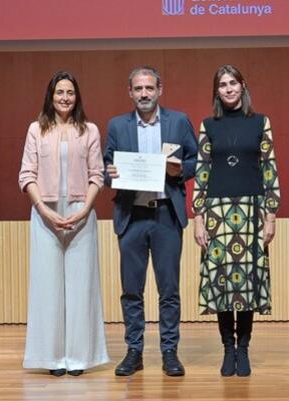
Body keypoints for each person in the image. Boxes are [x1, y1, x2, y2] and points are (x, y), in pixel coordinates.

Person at [104, 66, 198, 377]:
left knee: (168, 289)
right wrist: (110, 173)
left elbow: (197, 160)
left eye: (149, 88)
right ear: (129, 92)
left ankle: (170, 352)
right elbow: (106, 166)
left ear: (160, 90)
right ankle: (134, 352)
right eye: (138, 89)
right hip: (132, 216)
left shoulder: (178, 121)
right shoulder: (117, 126)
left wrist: (179, 171)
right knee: (132, 290)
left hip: (165, 215)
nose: (144, 94)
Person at [18, 70, 109, 377]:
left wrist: (84, 210)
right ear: (51, 95)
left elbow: (98, 175)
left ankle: (79, 358)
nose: (65, 98)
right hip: (45, 215)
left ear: (77, 96)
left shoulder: (90, 130)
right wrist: (44, 209)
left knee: (82, 287)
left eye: (70, 92)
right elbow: (26, 175)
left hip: (81, 214)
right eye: (59, 92)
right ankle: (54, 357)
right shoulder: (36, 129)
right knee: (48, 287)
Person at [192, 64, 281, 377]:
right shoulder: (208, 125)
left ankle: (243, 347)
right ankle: (227, 349)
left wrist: (270, 215)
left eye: (233, 83)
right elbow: (202, 171)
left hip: (251, 211)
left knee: (246, 284)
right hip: (217, 213)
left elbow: (269, 169)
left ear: (243, 86)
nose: (228, 89)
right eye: (222, 85)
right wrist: (198, 218)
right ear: (216, 91)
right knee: (223, 283)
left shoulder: (259, 122)